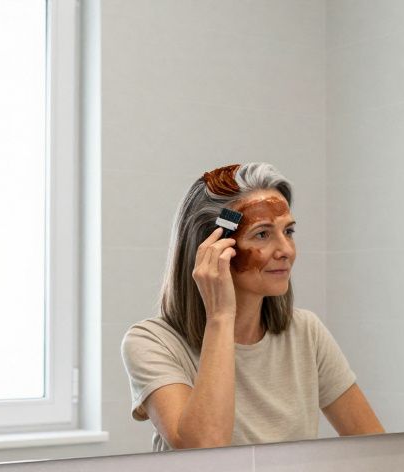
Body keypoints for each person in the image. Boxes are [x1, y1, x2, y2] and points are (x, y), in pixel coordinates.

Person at [121, 162, 383, 450]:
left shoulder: (306, 332)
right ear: (214, 247)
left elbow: (377, 451)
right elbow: (204, 450)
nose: (286, 250)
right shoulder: (152, 343)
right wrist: (220, 316)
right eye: (262, 234)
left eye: (289, 231)